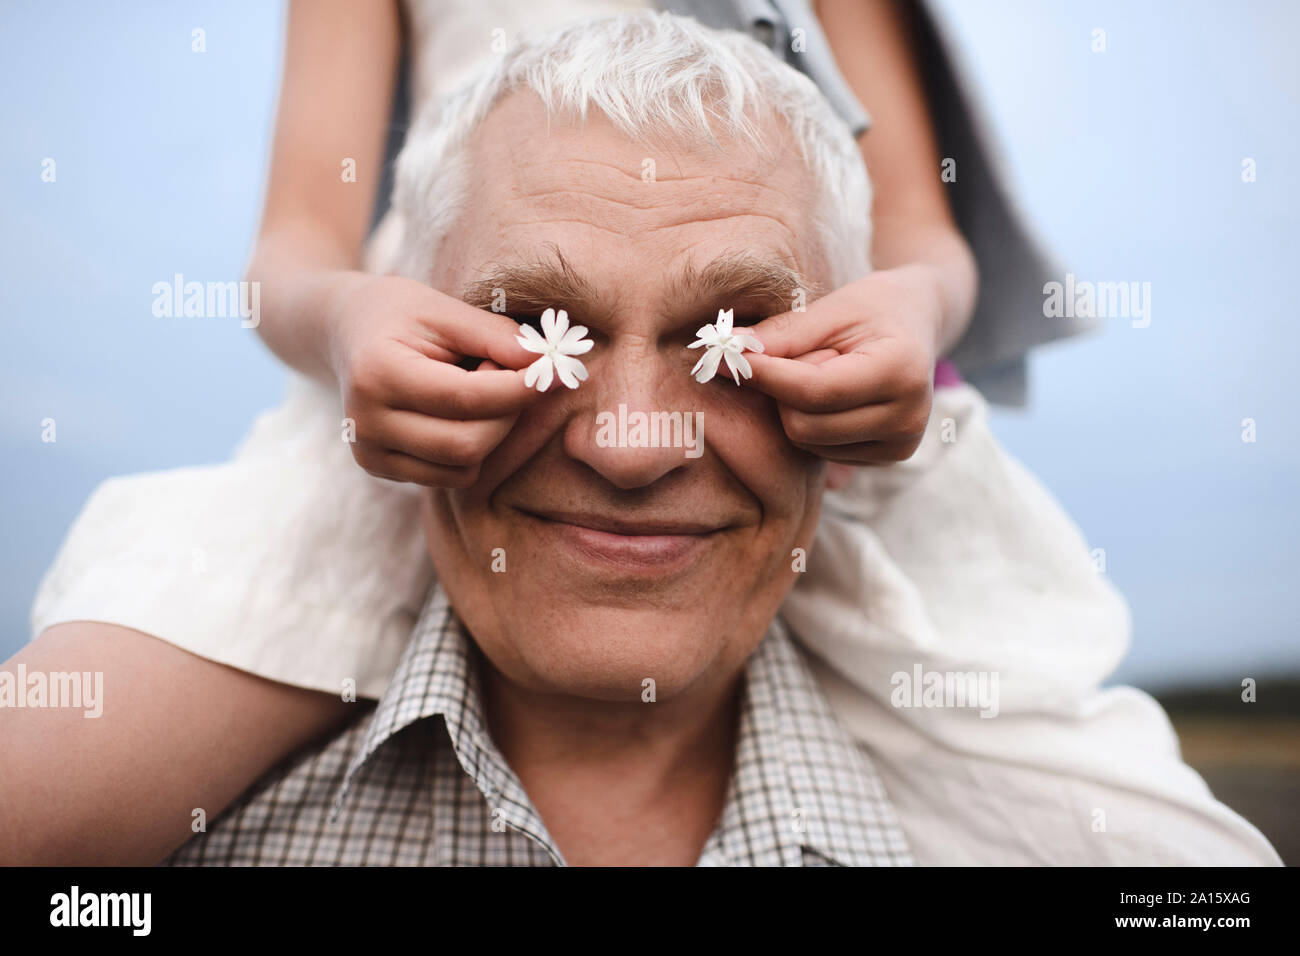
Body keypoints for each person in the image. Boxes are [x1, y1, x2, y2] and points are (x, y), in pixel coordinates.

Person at [0, 4, 1275, 865]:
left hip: (801, 347)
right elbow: (294, 244)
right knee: (56, 777)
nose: (629, 443)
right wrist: (349, 329)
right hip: (430, 366)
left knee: (1156, 846)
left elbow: (916, 224)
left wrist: (907, 310)